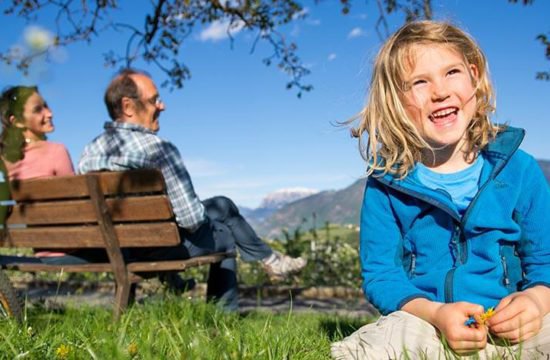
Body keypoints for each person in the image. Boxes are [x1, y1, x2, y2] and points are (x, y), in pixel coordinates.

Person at [331, 20, 550, 359]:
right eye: (419, 81)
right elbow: (382, 276)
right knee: (373, 344)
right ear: (396, 102)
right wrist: (435, 314)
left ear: (474, 77)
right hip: (429, 326)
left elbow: (545, 261)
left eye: (452, 73)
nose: (440, 91)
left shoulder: (519, 170)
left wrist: (535, 300)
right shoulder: (387, 183)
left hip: (516, 330)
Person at [77, 69, 307, 311]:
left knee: (221, 204)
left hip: (117, 248)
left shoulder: (89, 151)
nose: (162, 106)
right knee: (224, 229)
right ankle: (224, 316)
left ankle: (268, 260)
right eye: (155, 99)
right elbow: (192, 219)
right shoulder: (158, 150)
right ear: (128, 106)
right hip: (156, 247)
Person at [0, 86, 75, 260]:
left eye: (46, 106)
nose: (49, 113)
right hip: (74, 249)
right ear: (16, 121)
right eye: (38, 109)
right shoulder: (56, 151)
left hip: (40, 249)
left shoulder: (4, 161)